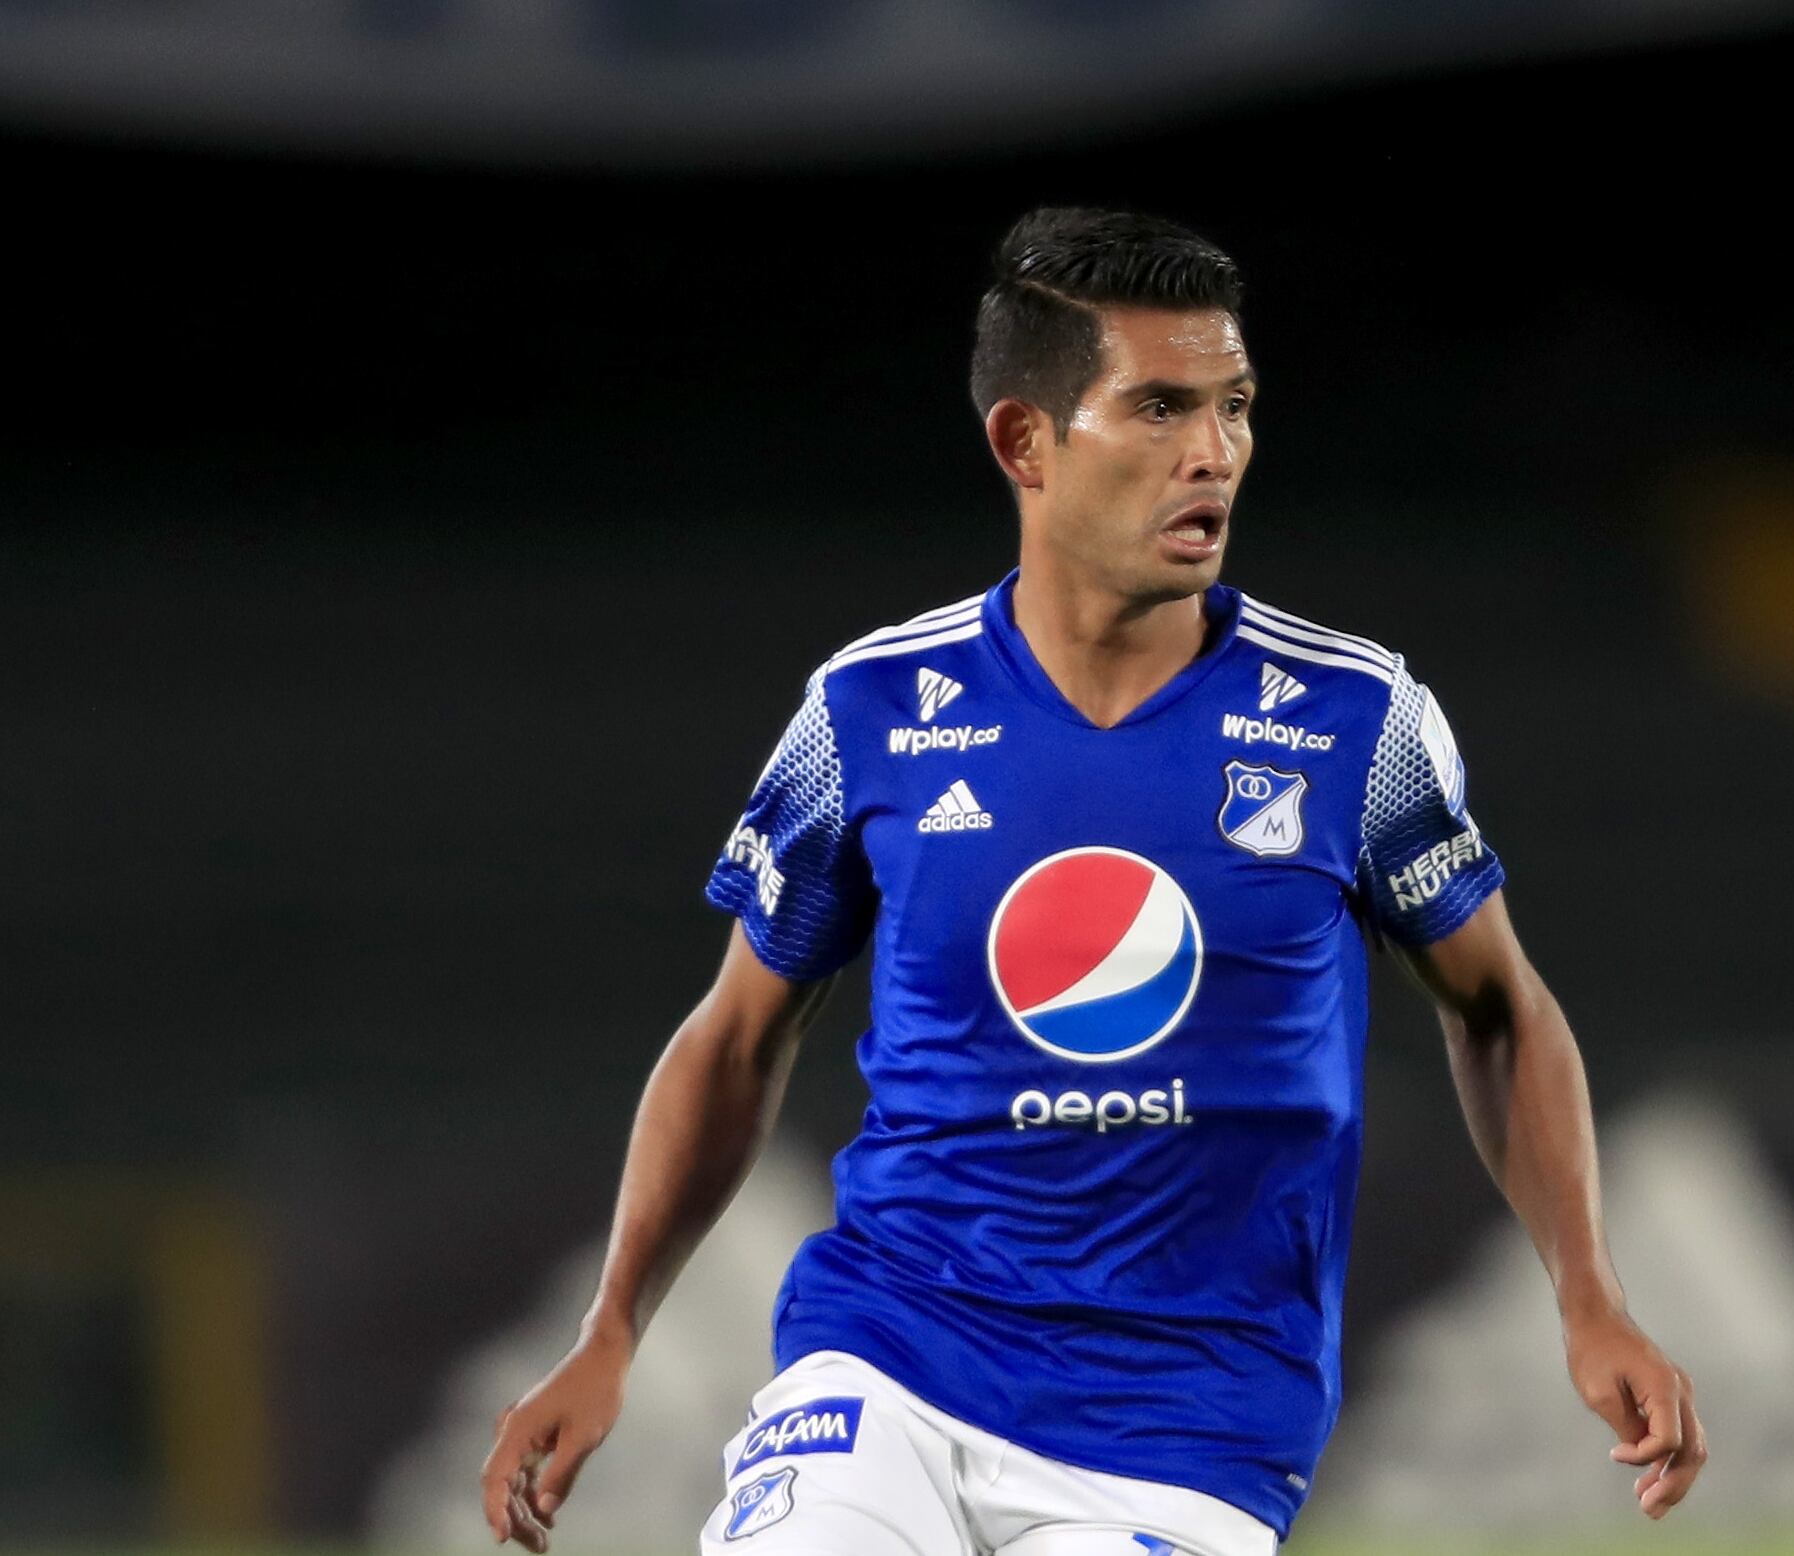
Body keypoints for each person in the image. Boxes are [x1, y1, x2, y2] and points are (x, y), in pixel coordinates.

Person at [480, 207, 1707, 1555]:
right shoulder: (873, 711)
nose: (1216, 453)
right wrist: (609, 1332)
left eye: (1235, 405)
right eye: (1162, 407)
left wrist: (1588, 1294)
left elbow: (1501, 1011)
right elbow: (734, 1036)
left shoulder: (1357, 721)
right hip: (893, 1356)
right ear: (1027, 442)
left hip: (1192, 1428)